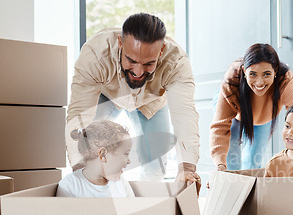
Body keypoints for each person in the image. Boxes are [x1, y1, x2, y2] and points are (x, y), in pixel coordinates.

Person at [66, 12, 200, 189]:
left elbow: (184, 115)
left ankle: (142, 208)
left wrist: (187, 168)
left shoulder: (177, 63)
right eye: (131, 60)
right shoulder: (95, 55)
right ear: (120, 43)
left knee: (155, 165)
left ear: (161, 50)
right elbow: (79, 115)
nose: (138, 72)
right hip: (107, 94)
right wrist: (80, 168)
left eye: (148, 64)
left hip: (151, 102)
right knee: (89, 155)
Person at [210, 43, 293, 171]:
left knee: (253, 161)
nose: (259, 82)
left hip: (263, 115)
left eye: (266, 74)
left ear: (275, 71)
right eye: (253, 74)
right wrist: (220, 165)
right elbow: (220, 127)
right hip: (234, 109)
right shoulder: (232, 80)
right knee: (231, 159)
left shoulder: (285, 81)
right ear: (244, 71)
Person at [57, 119, 135, 198]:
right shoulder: (70, 185)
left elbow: (133, 208)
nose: (129, 161)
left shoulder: (121, 184)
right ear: (103, 154)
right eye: (126, 154)